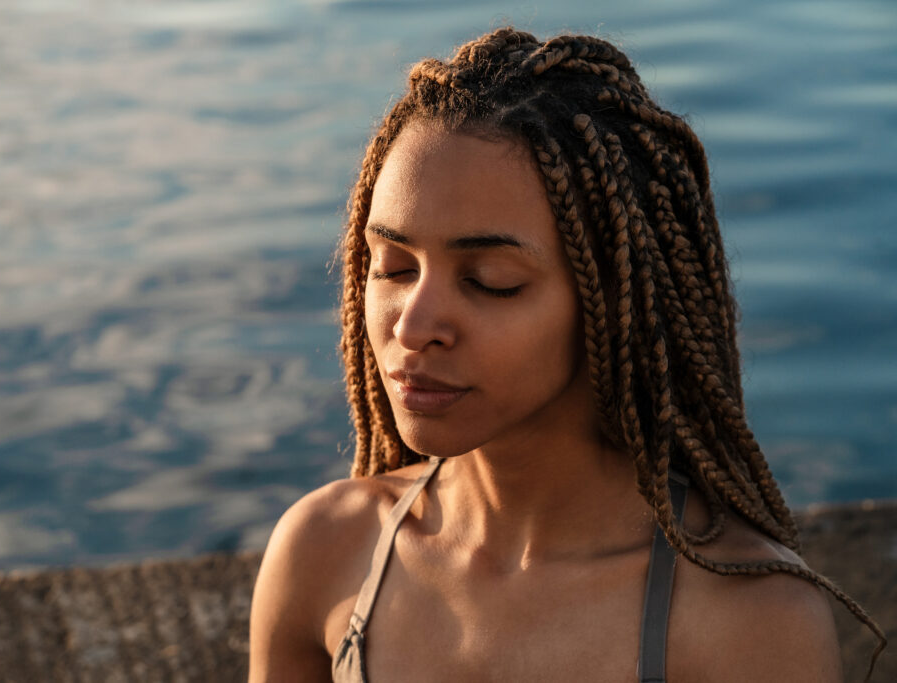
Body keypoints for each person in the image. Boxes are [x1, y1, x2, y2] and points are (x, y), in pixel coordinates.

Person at [248, 27, 885, 682]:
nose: (413, 326)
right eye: (394, 267)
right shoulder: (326, 553)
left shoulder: (746, 620)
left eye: (490, 280)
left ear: (612, 300)